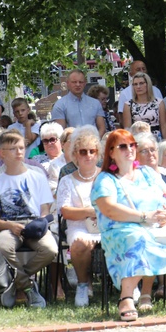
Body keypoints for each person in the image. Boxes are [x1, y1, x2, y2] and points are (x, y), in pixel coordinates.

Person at [93, 130, 166, 321]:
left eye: (132, 145)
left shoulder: (147, 173)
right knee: (138, 239)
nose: (129, 150)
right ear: (111, 152)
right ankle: (126, 298)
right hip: (121, 229)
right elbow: (109, 209)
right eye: (123, 146)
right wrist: (144, 216)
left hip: (157, 227)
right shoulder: (105, 179)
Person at [0, 130, 57, 308]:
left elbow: (45, 209)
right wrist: (10, 225)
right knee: (3, 246)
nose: (19, 152)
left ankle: (14, 282)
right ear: (2, 153)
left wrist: (37, 225)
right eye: (13, 149)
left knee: (50, 250)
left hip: (34, 224)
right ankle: (29, 287)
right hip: (8, 226)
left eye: (21, 148)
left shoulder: (38, 177)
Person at [55, 126, 102, 307]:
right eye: (83, 151)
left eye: (92, 151)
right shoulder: (67, 180)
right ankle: (83, 284)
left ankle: (127, 284)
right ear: (75, 154)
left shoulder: (106, 177)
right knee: (80, 244)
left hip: (106, 225)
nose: (88, 155)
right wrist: (90, 212)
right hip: (78, 226)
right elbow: (65, 211)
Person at [51, 70, 106, 137]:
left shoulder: (95, 103)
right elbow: (61, 132)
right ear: (68, 83)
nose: (78, 84)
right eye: (74, 82)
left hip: (94, 144)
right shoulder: (60, 105)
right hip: (71, 145)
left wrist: (94, 142)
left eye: (81, 82)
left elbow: (102, 128)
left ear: (85, 83)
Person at [122, 72, 166, 141]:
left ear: (147, 84)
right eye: (135, 84)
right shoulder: (128, 105)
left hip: (155, 138)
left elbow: (164, 126)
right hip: (137, 139)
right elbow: (127, 129)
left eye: (141, 83)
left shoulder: (159, 103)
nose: (138, 87)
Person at [117, 60, 164, 125]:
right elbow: (122, 118)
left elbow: (163, 119)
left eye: (143, 69)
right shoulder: (125, 93)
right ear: (131, 74)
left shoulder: (156, 91)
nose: (142, 71)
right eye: (138, 69)